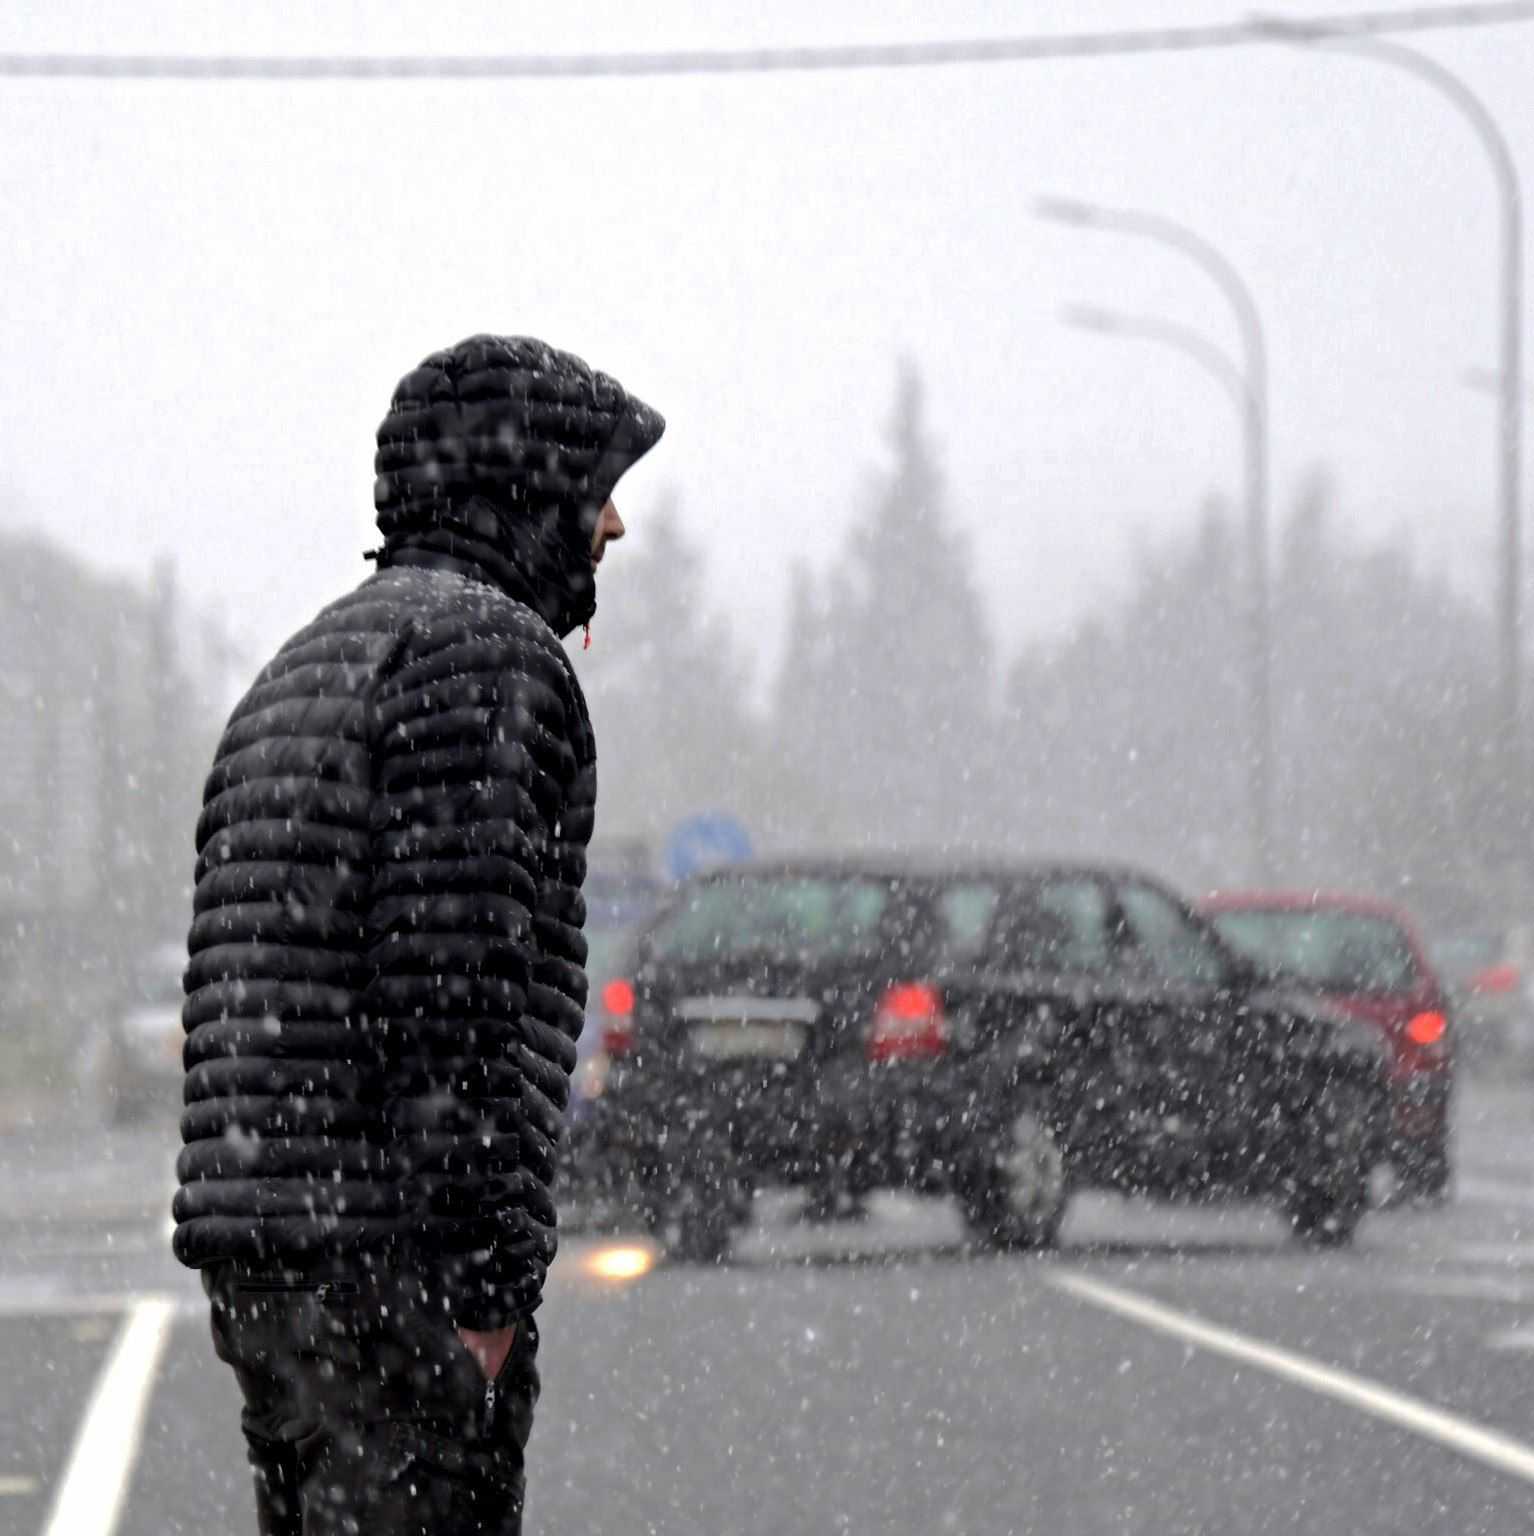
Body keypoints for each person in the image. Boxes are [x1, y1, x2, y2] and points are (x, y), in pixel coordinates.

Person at [171, 334, 663, 1534]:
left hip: (272, 1254)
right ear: (525, 490)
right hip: (387, 1262)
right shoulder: (483, 657)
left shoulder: (306, 663)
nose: (612, 528)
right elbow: (455, 992)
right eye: (594, 490)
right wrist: (484, 1287)